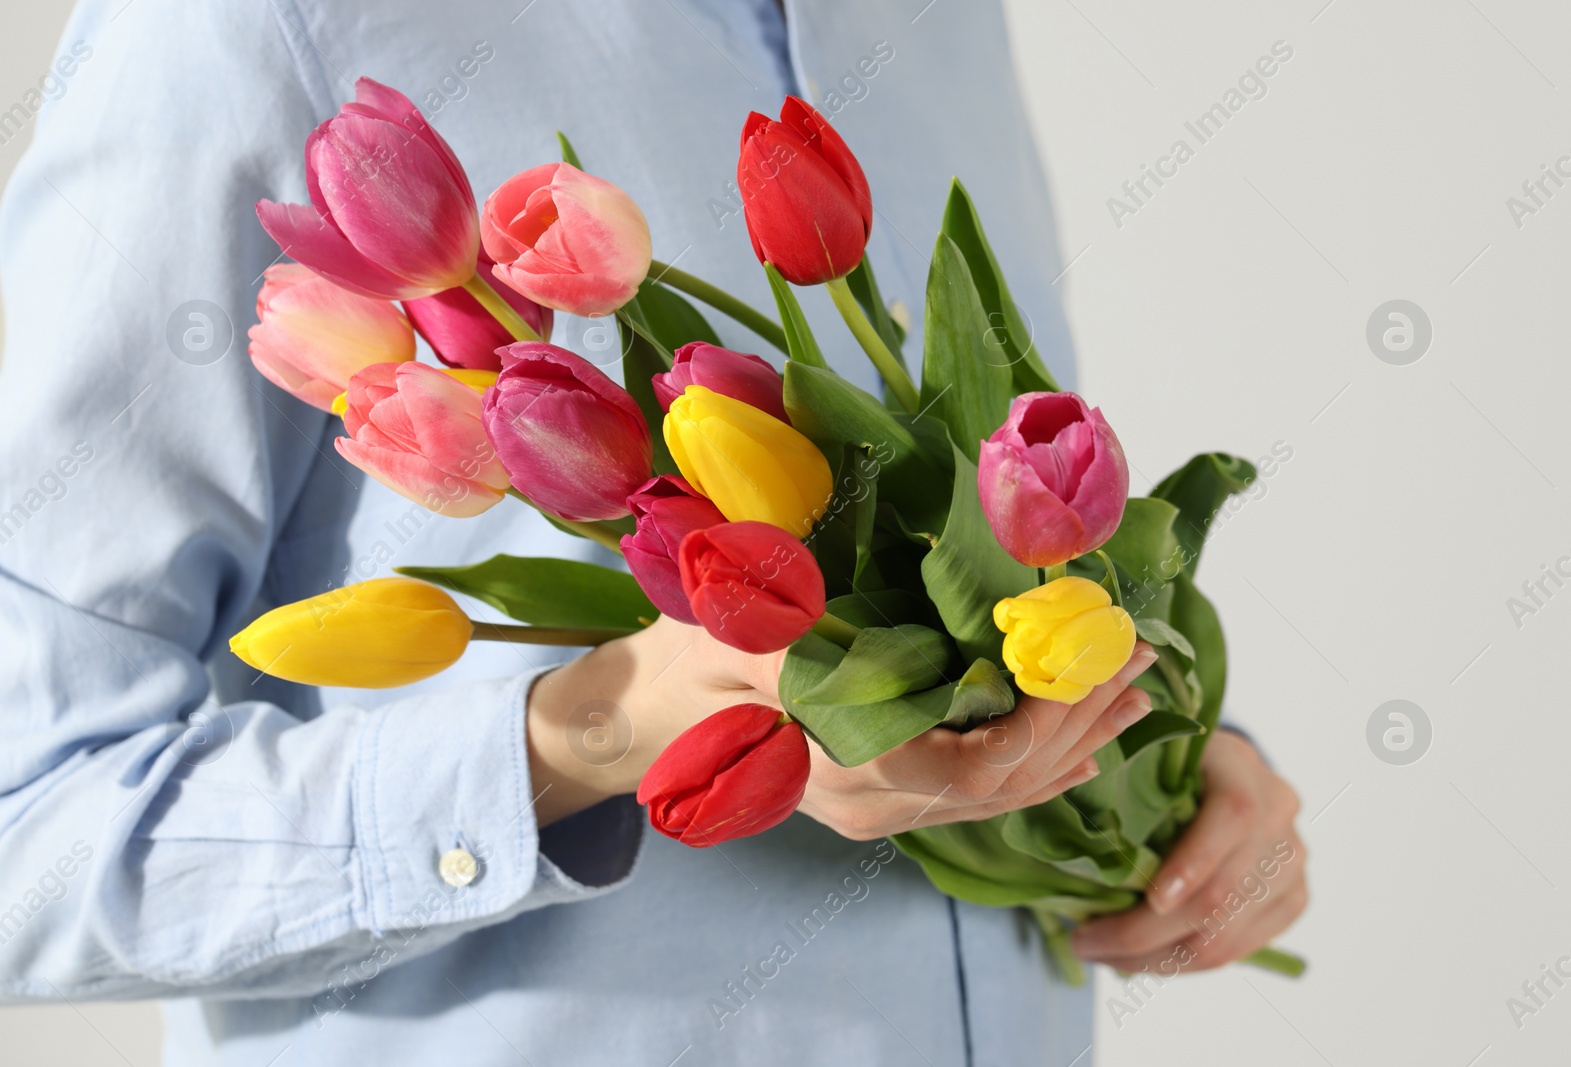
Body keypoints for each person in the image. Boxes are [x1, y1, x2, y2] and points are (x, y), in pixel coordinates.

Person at [0, 1, 1306, 1063]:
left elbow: (969, 534)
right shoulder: (252, 29)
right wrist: (594, 733)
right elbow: (24, 839)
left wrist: (1172, 755)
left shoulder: (943, 22)